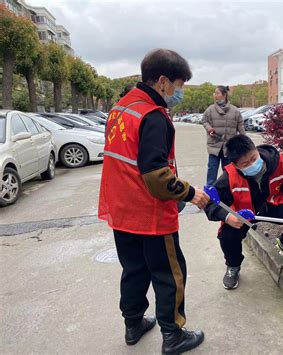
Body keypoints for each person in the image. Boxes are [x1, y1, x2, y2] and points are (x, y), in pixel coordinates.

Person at [98, 48, 209, 354]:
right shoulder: (153, 117)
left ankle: (133, 324)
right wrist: (191, 193)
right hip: (150, 214)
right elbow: (158, 177)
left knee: (133, 269)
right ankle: (173, 335)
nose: (180, 91)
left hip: (120, 209)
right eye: (179, 84)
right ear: (162, 81)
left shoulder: (120, 108)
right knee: (170, 274)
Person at [204, 135, 283, 289]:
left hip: (273, 204)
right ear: (236, 165)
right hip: (245, 213)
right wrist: (228, 216)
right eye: (245, 163)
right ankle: (233, 266)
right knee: (227, 235)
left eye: (253, 158)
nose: (252, 164)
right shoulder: (228, 177)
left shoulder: (278, 161)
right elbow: (210, 203)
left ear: (256, 150)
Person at [202, 85, 245, 185]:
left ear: (224, 95)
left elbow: (241, 128)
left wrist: (245, 144)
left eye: (217, 93)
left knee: (229, 174)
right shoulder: (210, 109)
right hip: (214, 146)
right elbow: (204, 120)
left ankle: (228, 194)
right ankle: (210, 195)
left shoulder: (235, 111)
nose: (215, 95)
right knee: (211, 173)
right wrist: (209, 129)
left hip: (229, 148)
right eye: (214, 93)